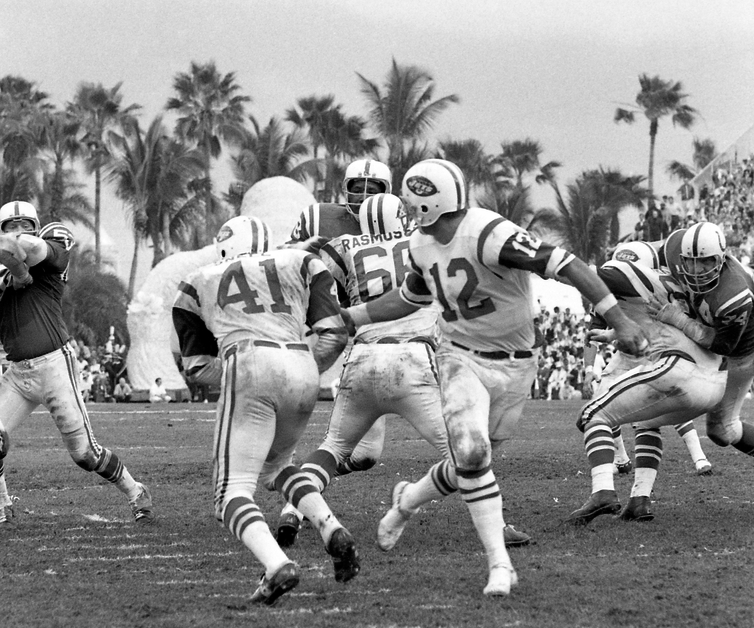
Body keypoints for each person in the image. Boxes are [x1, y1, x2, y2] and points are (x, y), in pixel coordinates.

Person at [343, 159, 648, 596]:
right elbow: (410, 297)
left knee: (471, 464)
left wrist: (618, 319)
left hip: (518, 364)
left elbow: (569, 265)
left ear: (430, 204)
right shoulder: (421, 244)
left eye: (413, 203)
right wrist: (349, 316)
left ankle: (407, 500)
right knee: (471, 452)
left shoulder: (488, 232)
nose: (409, 212)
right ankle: (499, 566)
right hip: (459, 356)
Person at [172, 215, 358, 606]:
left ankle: (276, 565)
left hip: (249, 360)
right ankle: (330, 529)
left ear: (223, 244)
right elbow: (336, 332)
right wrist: (302, 371)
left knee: (230, 492)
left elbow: (197, 367)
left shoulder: (196, 280)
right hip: (301, 362)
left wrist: (248, 374)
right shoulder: (301, 261)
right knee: (277, 467)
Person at [0, 200, 155, 527]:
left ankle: (135, 489)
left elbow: (37, 251)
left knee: (85, 454)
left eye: (23, 225)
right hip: (16, 373)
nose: (17, 232)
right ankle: (2, 504)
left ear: (35, 224)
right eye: (9, 228)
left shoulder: (51, 239)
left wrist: (12, 253)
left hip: (54, 364)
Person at [275, 158, 396, 538]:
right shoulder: (319, 217)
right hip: (333, 325)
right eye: (355, 187)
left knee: (365, 454)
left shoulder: (402, 222)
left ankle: (296, 494)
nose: (361, 195)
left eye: (371, 189)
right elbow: (286, 262)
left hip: (373, 330)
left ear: (387, 194)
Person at [568, 244, 726, 525]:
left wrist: (539, 262)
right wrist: (612, 338)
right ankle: (640, 500)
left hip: (678, 370)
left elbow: (579, 271)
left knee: (593, 414)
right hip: (715, 381)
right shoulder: (679, 284)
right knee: (647, 423)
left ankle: (603, 491)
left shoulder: (627, 272)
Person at [649, 221, 754, 458]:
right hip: (704, 328)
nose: (697, 269)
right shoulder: (675, 248)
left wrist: (679, 318)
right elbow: (650, 255)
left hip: (741, 352)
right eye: (691, 260)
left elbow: (721, 345)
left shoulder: (734, 294)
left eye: (706, 260)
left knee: (721, 431)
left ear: (722, 258)